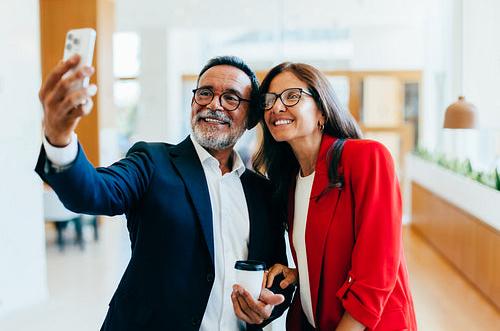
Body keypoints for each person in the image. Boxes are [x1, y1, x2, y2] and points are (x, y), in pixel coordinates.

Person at [35, 54, 294, 330]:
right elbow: (93, 192)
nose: (213, 105)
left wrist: (270, 305)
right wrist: (59, 138)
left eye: (231, 98)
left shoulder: (264, 194)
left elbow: (277, 275)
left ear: (252, 117)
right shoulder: (151, 161)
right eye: (204, 93)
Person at [246, 62, 417, 330]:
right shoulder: (291, 182)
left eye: (292, 96)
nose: (276, 107)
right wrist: (300, 274)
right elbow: (333, 256)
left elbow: (375, 274)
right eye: (268, 101)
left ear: (322, 112)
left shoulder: (367, 157)